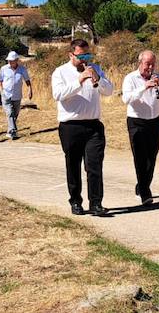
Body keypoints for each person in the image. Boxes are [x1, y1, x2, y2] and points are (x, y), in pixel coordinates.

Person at [51, 39, 114, 216]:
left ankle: (96, 203)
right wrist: (80, 79)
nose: (85, 59)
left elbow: (109, 91)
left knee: (94, 165)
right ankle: (75, 201)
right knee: (73, 165)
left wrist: (98, 78)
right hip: (70, 125)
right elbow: (58, 94)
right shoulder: (60, 72)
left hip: (93, 125)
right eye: (81, 56)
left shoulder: (96, 68)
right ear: (71, 54)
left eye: (88, 55)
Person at [120, 50, 159, 205]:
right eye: (147, 63)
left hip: (154, 121)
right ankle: (145, 192)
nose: (149, 67)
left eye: (152, 64)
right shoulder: (130, 78)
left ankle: (142, 185)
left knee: (151, 157)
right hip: (136, 122)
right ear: (140, 62)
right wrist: (144, 87)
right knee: (140, 157)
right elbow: (126, 99)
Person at [0, 51, 33, 140]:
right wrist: (1, 91)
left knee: (15, 114)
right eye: (9, 60)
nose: (10, 62)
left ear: (17, 60)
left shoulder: (22, 69)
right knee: (10, 113)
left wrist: (30, 90)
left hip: (17, 95)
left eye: (12, 60)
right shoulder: (4, 69)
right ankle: (13, 131)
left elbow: (27, 80)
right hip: (6, 94)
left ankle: (10, 131)